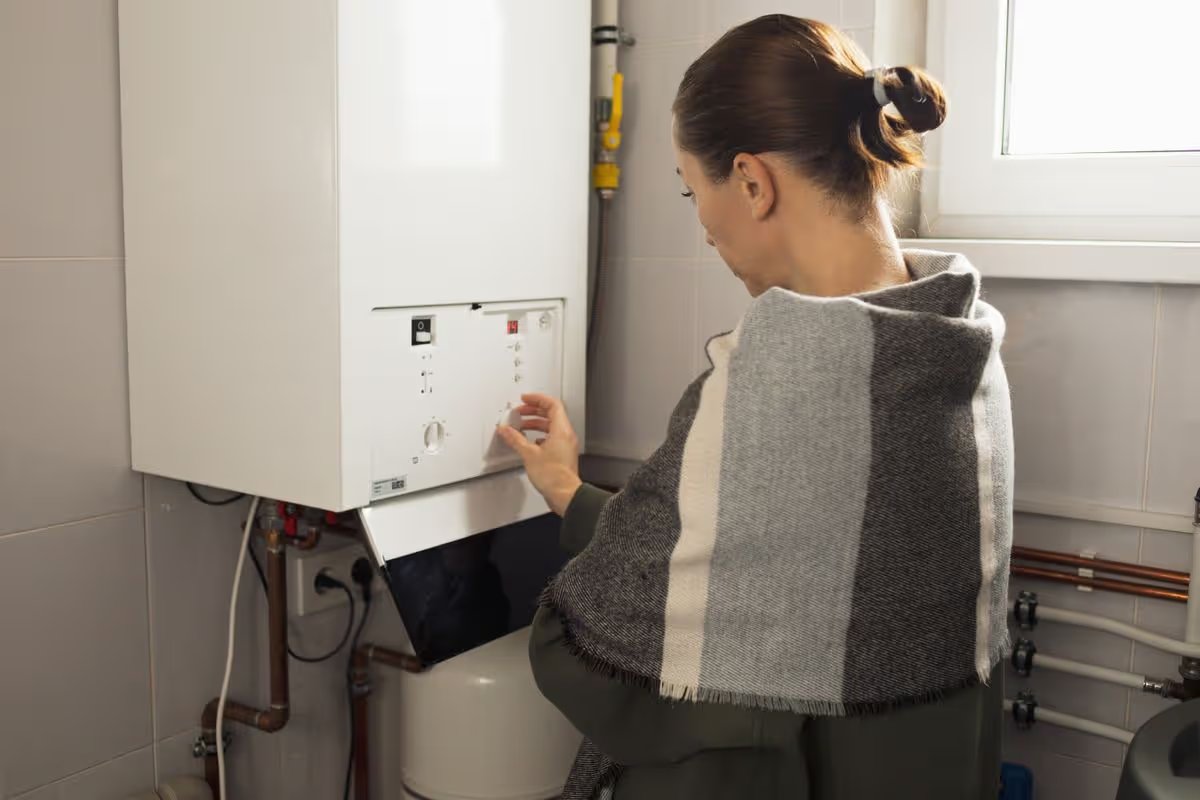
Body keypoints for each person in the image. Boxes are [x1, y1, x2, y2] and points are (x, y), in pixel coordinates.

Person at [497, 14, 1013, 800]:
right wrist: (566, 488)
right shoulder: (961, 347)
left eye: (690, 190)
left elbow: (598, 630)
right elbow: (756, 565)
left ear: (750, 181)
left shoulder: (780, 378)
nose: (702, 225)